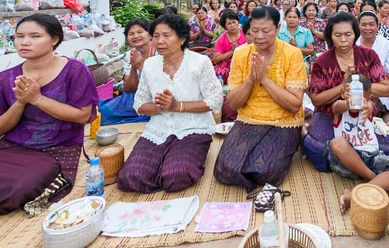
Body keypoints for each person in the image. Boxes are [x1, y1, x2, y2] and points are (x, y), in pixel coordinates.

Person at [0, 14, 98, 214]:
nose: (24, 42)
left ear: (54, 40)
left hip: (58, 149)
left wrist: (37, 99)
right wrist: (20, 102)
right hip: (13, 147)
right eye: (19, 36)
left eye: (35, 36)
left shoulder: (74, 71)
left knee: (22, 188)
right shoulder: (6, 78)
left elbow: (82, 115)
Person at [118, 14, 223, 193]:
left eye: (167, 36)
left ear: (182, 38)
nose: (160, 41)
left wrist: (177, 106)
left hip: (194, 127)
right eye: (156, 36)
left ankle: (171, 167)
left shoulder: (199, 62)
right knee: (131, 177)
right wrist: (159, 107)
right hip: (159, 128)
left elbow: (215, 100)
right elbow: (140, 104)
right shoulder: (150, 65)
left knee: (176, 175)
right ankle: (158, 169)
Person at [214, 6, 307, 191]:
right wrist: (251, 79)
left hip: (284, 120)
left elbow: (294, 105)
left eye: (266, 31)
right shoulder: (241, 53)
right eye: (254, 31)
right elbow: (233, 103)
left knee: (265, 172)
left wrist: (264, 78)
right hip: (249, 118)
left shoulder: (292, 54)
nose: (259, 36)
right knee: (225, 169)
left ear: (278, 28)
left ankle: (294, 141)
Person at [303, 12, 389, 172]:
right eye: (337, 35)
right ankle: (365, 169)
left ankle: (357, 166)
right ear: (329, 36)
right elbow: (316, 100)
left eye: (348, 34)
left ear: (355, 34)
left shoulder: (368, 55)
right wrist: (342, 87)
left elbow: (384, 88)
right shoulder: (322, 61)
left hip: (362, 111)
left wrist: (360, 86)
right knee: (319, 150)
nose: (343, 40)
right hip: (330, 114)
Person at [332, 73, 389, 212]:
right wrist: (347, 103)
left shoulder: (369, 107)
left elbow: (370, 106)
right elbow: (338, 107)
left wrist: (368, 106)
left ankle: (353, 193)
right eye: (352, 95)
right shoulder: (339, 109)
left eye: (361, 97)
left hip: (373, 158)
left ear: (369, 97)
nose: (356, 100)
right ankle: (376, 181)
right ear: (344, 94)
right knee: (337, 143)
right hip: (347, 161)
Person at [99, 19, 155, 126]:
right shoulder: (130, 55)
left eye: (140, 32)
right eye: (131, 34)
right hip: (135, 96)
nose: (135, 36)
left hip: (157, 97)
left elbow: (164, 82)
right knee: (103, 110)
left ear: (150, 35)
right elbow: (129, 88)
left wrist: (143, 67)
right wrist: (134, 68)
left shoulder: (160, 52)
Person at [356, 11, 389, 114]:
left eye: (371, 24)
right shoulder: (352, 43)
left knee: (361, 110)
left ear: (378, 26)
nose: (367, 28)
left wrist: (375, 72)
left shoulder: (388, 45)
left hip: (378, 95)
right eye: (363, 24)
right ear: (358, 26)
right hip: (353, 92)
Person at [213, 10, 246, 83]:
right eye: (229, 23)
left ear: (238, 22)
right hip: (227, 67)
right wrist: (232, 51)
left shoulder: (246, 34)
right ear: (225, 27)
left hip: (244, 63)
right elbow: (215, 59)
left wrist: (238, 50)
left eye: (234, 22)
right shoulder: (221, 39)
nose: (232, 25)